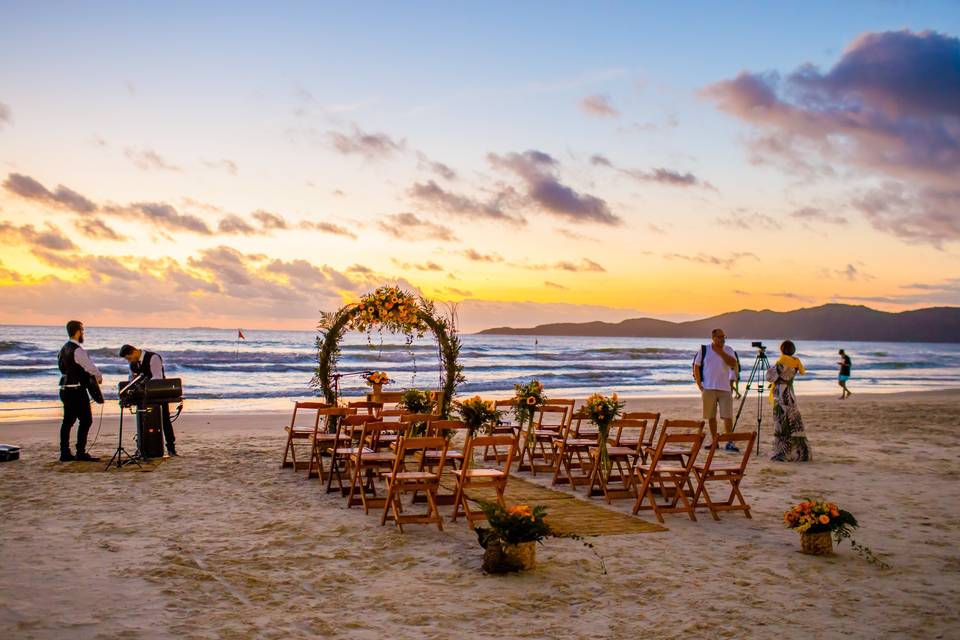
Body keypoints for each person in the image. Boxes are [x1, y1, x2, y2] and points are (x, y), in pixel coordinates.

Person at [119, 344, 178, 456]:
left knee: (164, 419)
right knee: (142, 419)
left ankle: (171, 448)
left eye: (129, 358)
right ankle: (143, 447)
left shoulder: (153, 357)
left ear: (135, 351)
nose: (129, 361)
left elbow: (157, 377)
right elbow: (131, 378)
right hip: (143, 396)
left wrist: (143, 385)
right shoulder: (133, 363)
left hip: (159, 393)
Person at [57, 320, 103, 462]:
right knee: (86, 420)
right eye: (82, 331)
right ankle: (80, 452)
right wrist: (98, 377)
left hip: (64, 388)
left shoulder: (63, 349)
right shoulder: (78, 350)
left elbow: (62, 368)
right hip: (77, 389)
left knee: (68, 421)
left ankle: (65, 452)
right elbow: (90, 368)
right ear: (77, 331)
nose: (83, 333)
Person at [692, 328, 740, 451]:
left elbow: (733, 363)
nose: (722, 339)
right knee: (711, 416)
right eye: (720, 337)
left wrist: (720, 352)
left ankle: (729, 442)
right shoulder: (704, 350)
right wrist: (699, 384)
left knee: (727, 416)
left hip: (725, 388)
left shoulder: (728, 349)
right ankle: (715, 441)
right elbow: (696, 366)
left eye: (724, 336)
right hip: (708, 387)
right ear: (713, 338)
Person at [767, 339, 811, 462]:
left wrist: (770, 368)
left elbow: (770, 377)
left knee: (782, 421)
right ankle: (800, 452)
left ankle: (783, 453)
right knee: (793, 420)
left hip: (781, 393)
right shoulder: (796, 361)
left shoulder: (782, 362)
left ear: (782, 350)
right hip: (790, 392)